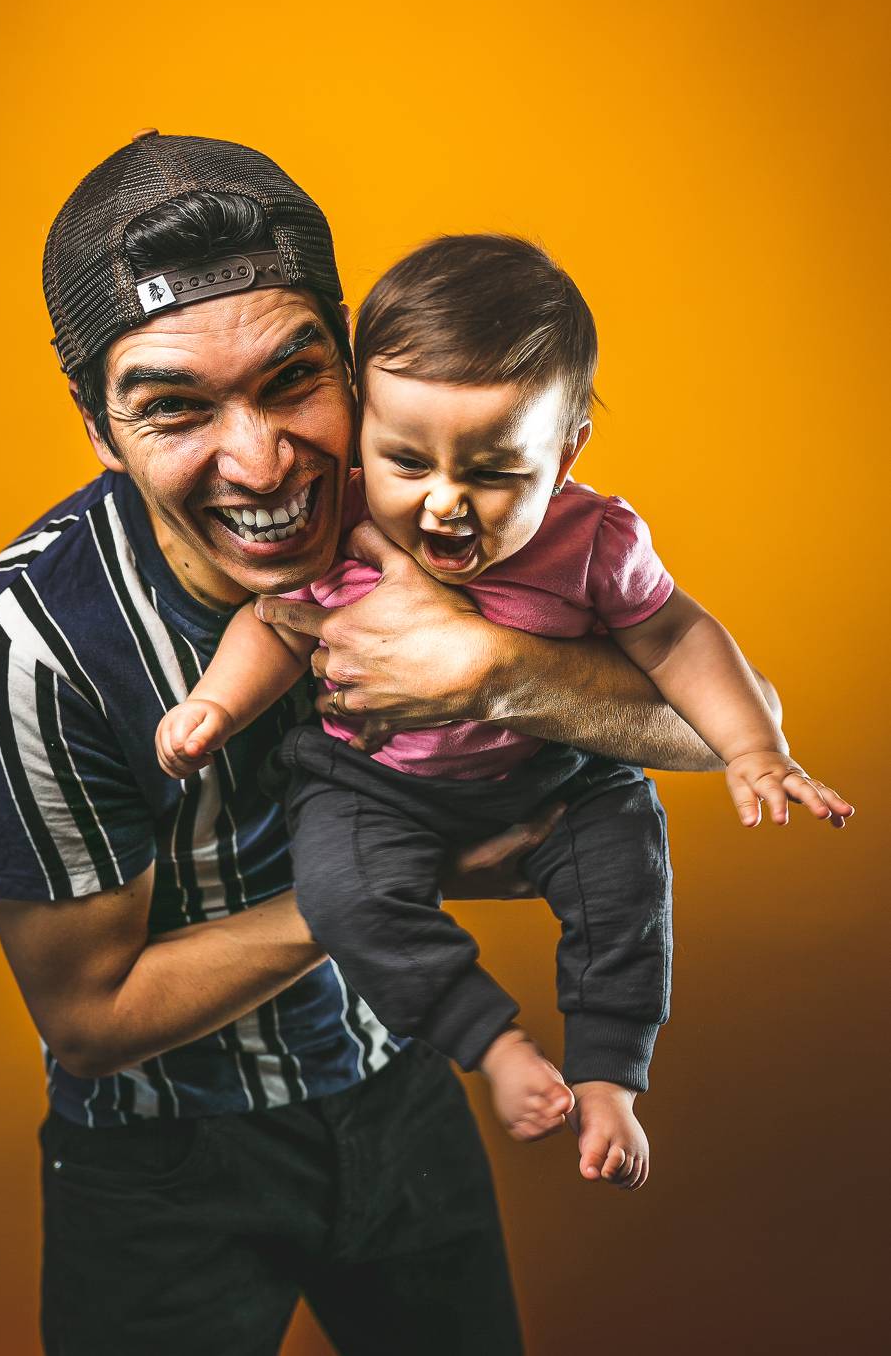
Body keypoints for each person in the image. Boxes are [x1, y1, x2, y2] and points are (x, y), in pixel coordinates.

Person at [0, 132, 781, 1356]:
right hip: (160, 1163)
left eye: (293, 382)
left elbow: (730, 720)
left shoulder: (445, 499)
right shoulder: (31, 641)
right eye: (174, 408)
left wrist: (498, 670)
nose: (261, 464)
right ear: (98, 426)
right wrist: (393, 885)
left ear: (352, 362)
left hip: (401, 1087)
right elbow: (89, 1015)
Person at [158, 233, 854, 1191]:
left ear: (564, 453)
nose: (444, 504)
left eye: (491, 473)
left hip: (548, 775)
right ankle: (490, 1042)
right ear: (361, 426)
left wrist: (754, 748)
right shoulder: (343, 517)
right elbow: (275, 626)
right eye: (407, 461)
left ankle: (610, 1075)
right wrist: (215, 705)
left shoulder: (593, 542)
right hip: (372, 781)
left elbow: (677, 637)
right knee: (341, 892)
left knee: (627, 865)